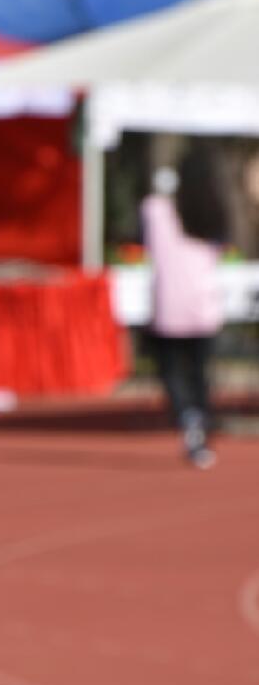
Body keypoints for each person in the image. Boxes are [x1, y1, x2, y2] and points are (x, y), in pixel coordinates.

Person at [140, 147, 229, 468]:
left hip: (169, 304)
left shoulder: (156, 210)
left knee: (172, 370)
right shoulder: (212, 213)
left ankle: (188, 416)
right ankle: (199, 422)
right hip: (202, 305)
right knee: (199, 372)